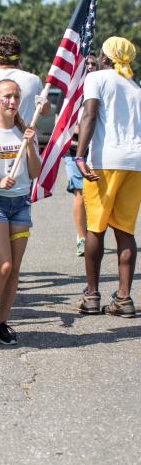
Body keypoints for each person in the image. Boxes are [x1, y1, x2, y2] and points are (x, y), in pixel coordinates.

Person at [74, 37, 141, 318]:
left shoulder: (97, 78)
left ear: (104, 58)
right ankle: (124, 299)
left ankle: (91, 295)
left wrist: (79, 155)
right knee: (125, 231)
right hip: (135, 162)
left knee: (96, 228)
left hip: (104, 161)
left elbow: (89, 115)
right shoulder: (136, 87)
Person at [0, 79, 41, 346]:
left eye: (16, 97)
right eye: (6, 97)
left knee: (15, 270)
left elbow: (35, 172)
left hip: (21, 204)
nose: (12, 102)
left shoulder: (25, 131)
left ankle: (2, 321)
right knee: (4, 265)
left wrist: (31, 145)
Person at [63, 54, 99, 256]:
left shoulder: (101, 88)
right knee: (80, 192)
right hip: (74, 150)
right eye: (87, 64)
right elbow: (64, 122)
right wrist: (81, 128)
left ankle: (94, 233)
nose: (91, 66)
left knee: (96, 195)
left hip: (98, 151)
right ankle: (81, 237)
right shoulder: (72, 93)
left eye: (94, 63)